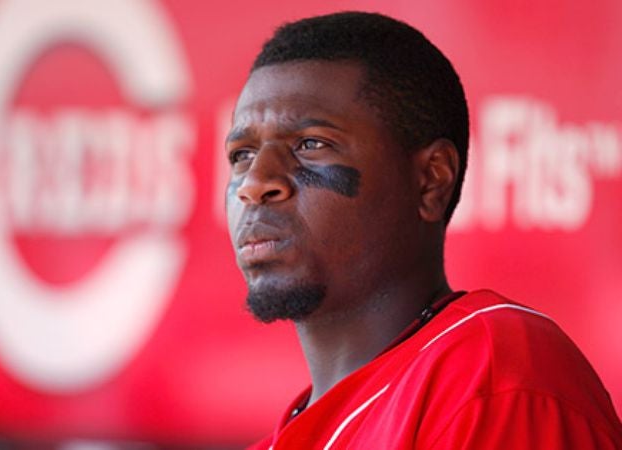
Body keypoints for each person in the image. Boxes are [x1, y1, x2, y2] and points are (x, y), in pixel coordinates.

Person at [224, 11, 622, 449]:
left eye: (310, 144)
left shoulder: (489, 375)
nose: (255, 183)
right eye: (241, 154)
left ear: (431, 180)